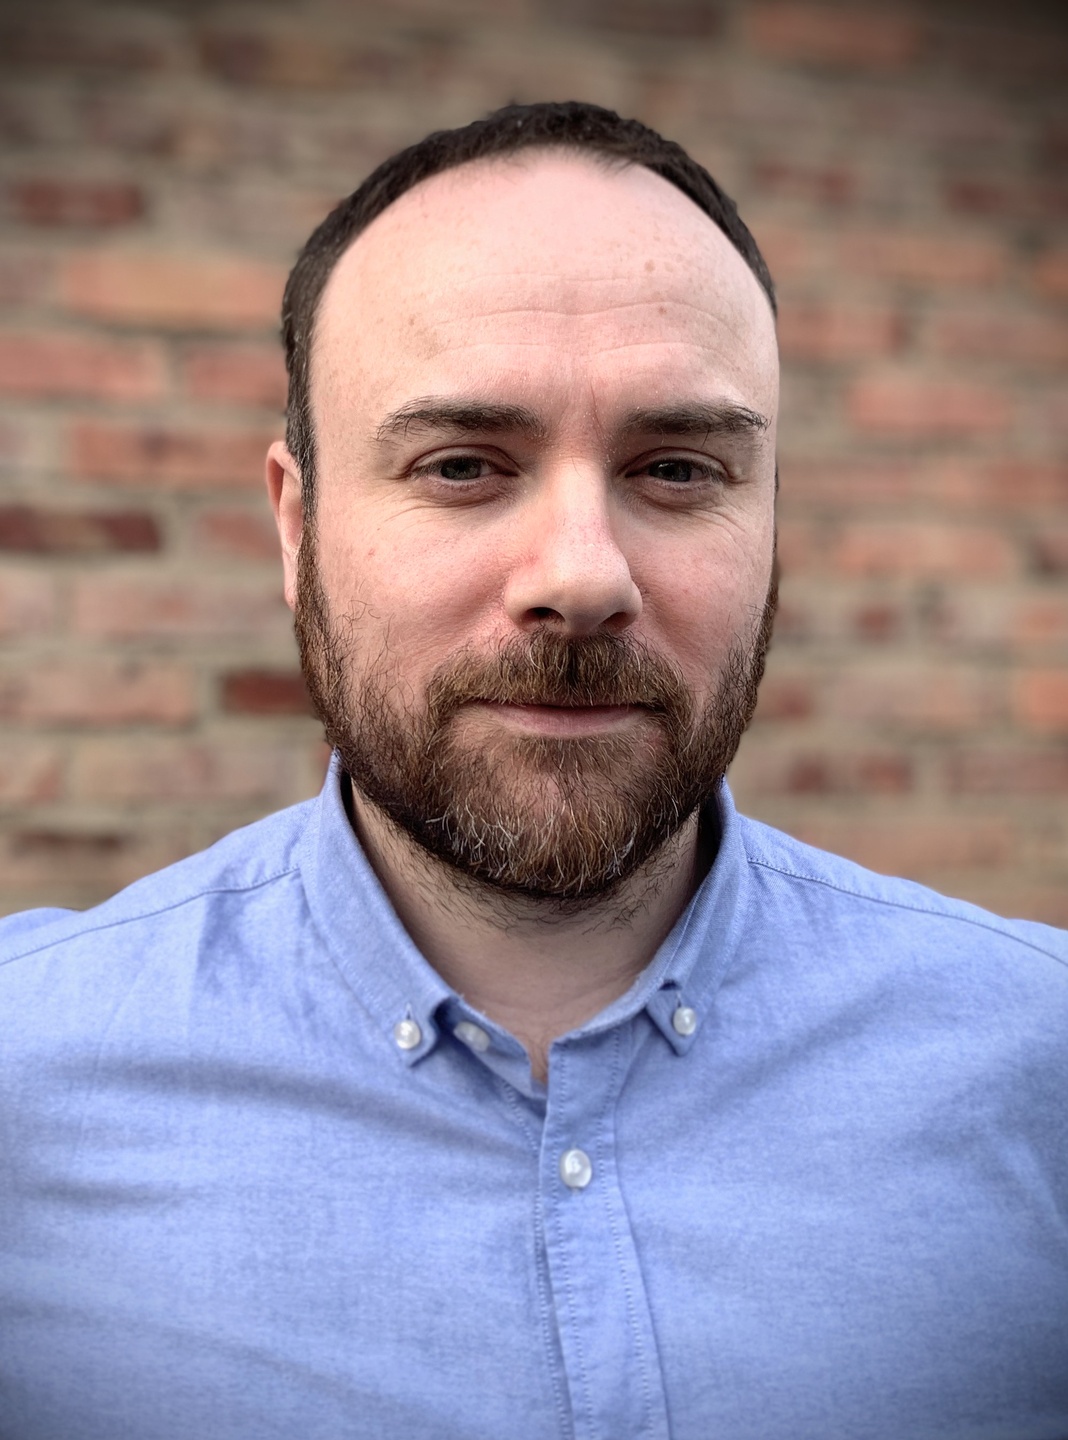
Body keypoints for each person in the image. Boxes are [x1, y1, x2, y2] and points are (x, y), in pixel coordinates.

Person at [0, 101, 1065, 1440]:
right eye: (461, 466)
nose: (581, 576)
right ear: (296, 526)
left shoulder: (1040, 1061)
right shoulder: (25, 1080)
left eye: (678, 469)